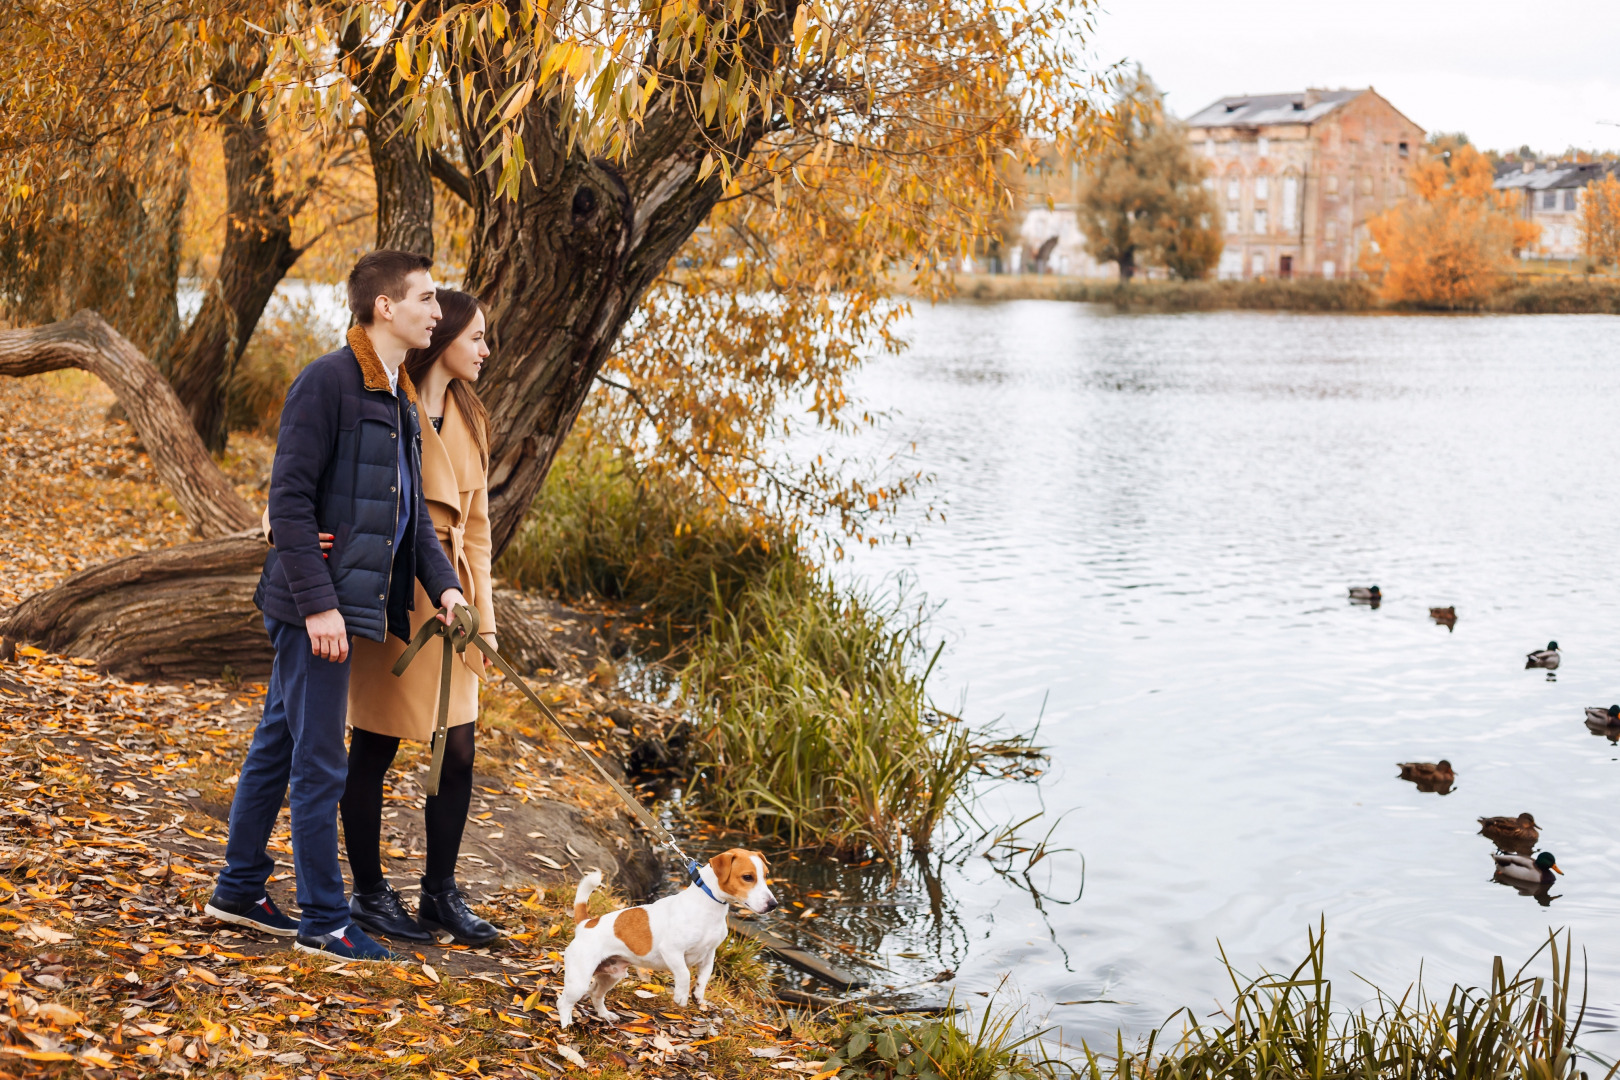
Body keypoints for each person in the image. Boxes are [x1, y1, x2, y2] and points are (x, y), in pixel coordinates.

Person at [206, 250, 468, 963]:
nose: (436, 313)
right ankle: (324, 920)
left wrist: (444, 586)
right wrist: (320, 607)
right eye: (425, 299)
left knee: (279, 745)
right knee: (320, 762)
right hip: (311, 609)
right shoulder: (327, 383)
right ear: (386, 307)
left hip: (341, 605)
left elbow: (411, 518)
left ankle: (237, 889)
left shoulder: (397, 396)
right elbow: (286, 502)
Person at [337, 290, 502, 946]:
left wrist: (485, 620)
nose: (485, 351)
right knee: (373, 745)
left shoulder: (470, 416)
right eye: (477, 339)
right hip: (394, 592)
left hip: (453, 598)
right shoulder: (388, 403)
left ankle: (440, 894)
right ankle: (370, 892)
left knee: (457, 748)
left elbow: (480, 532)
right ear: (444, 342)